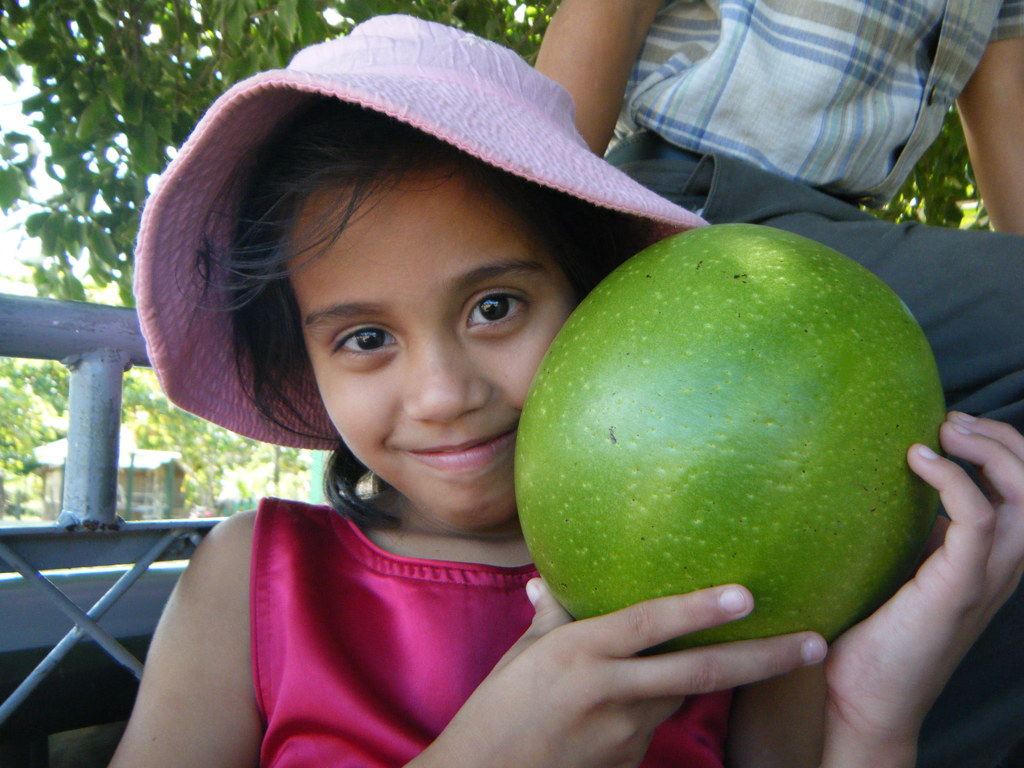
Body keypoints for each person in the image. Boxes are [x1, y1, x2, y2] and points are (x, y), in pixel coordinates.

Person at [109, 14, 1024, 768]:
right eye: (366, 338)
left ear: (598, 305)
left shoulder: (731, 596)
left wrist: (874, 722)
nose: (441, 393)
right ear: (302, 360)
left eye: (495, 306)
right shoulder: (249, 581)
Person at [535, 4, 1024, 766]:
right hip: (688, 196)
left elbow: (1013, 153)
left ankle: (861, 717)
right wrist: (537, 246)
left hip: (842, 248)